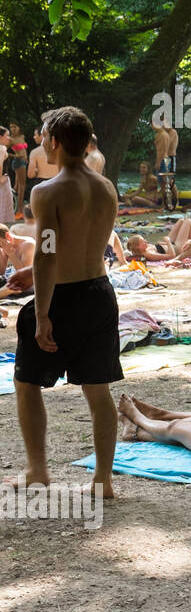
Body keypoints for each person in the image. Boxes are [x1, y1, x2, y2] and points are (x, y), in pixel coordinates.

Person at [6, 107, 122, 496]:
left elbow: (47, 252)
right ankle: (103, 480)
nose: (40, 141)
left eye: (42, 136)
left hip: (63, 298)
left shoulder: (46, 190)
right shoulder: (105, 187)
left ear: (54, 141)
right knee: (97, 387)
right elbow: (80, 243)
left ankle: (38, 470)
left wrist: (41, 313)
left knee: (26, 382)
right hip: (100, 293)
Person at [26, 120, 58, 185]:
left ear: (42, 135)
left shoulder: (35, 152)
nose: (34, 137)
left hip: (41, 183)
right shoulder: (59, 149)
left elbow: (30, 174)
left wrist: (36, 170)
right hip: (58, 182)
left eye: (35, 134)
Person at [9, 123, 28, 215]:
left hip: (23, 162)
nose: (12, 129)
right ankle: (20, 211)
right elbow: (4, 150)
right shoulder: (10, 140)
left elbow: (24, 150)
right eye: (11, 127)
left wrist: (26, 158)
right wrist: (14, 155)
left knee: (16, 188)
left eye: (14, 126)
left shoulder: (22, 136)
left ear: (19, 127)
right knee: (22, 186)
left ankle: (12, 206)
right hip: (18, 162)